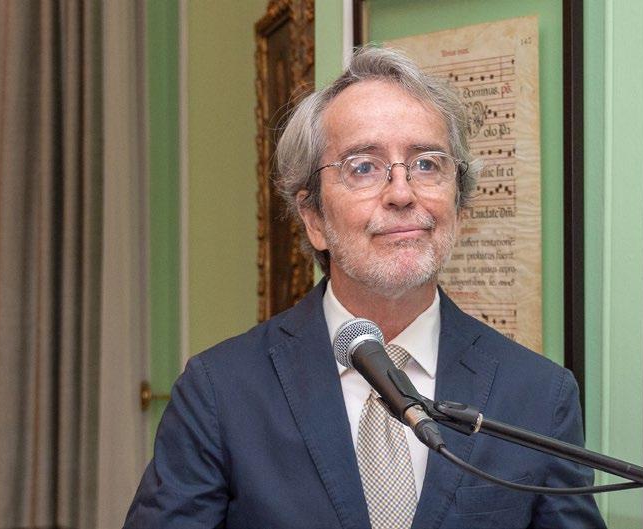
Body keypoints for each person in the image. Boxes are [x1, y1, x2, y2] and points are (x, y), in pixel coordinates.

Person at [124, 46, 606, 529]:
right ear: (313, 217)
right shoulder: (220, 391)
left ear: (459, 207)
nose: (402, 193)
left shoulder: (538, 396)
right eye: (363, 167)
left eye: (427, 164)